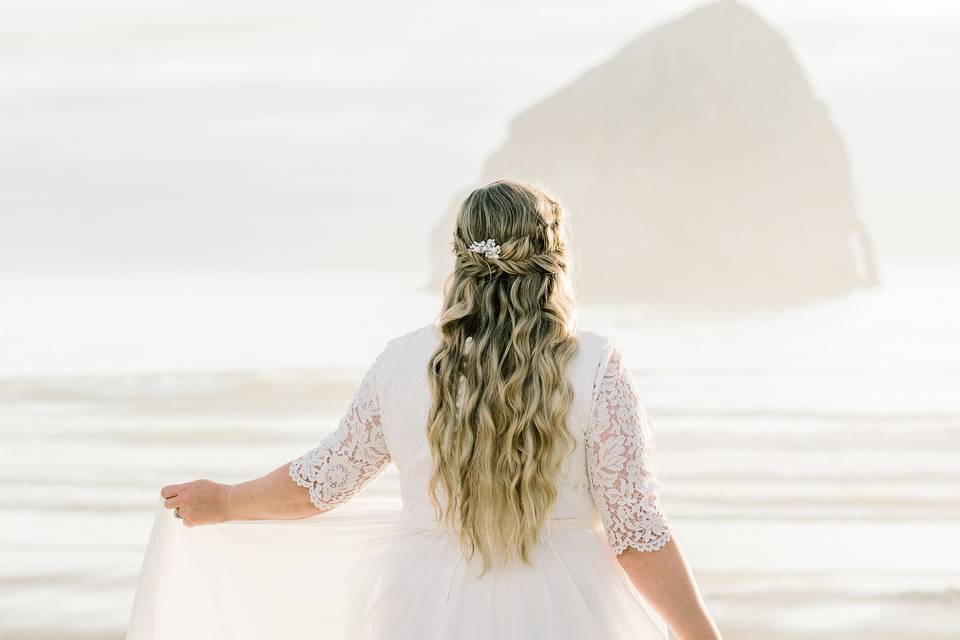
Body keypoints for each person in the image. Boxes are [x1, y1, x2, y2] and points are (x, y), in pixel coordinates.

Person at [135, 180, 721, 640]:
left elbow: (323, 483)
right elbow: (635, 529)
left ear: (460, 255)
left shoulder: (401, 362)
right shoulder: (593, 364)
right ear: (554, 256)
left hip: (428, 604)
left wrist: (227, 502)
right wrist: (702, 637)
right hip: (569, 604)